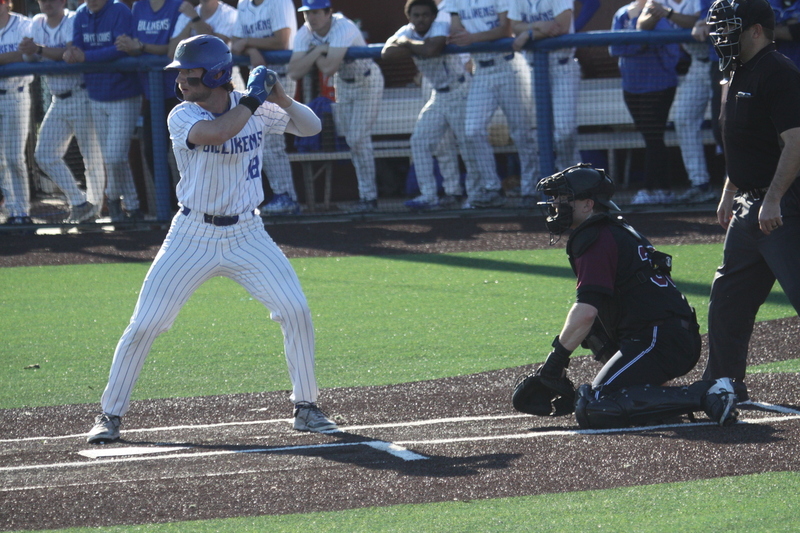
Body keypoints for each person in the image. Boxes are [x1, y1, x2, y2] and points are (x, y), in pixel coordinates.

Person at [86, 35, 336, 444]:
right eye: (181, 73)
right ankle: (110, 413)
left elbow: (312, 128)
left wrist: (281, 97)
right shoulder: (182, 115)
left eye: (191, 72)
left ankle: (306, 407)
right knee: (145, 324)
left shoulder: (251, 106)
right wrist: (254, 100)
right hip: (191, 234)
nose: (182, 80)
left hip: (247, 233)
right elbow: (219, 132)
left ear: (218, 74)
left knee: (295, 310)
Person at [518, 163, 738, 429]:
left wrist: (555, 362)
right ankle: (661, 393)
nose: (555, 204)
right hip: (665, 333)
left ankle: (707, 393)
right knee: (596, 334)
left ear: (588, 204)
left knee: (597, 403)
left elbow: (585, 310)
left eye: (563, 198)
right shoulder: (611, 229)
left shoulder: (594, 237)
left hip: (659, 337)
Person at [702, 0, 800, 401]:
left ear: (756, 30)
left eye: (730, 29)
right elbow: (743, 142)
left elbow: (796, 142)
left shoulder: (778, 72)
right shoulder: (736, 71)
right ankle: (723, 385)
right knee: (727, 302)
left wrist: (774, 198)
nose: (720, 38)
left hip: (784, 209)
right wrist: (730, 191)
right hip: (748, 208)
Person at [288, 0, 385, 213]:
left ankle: (369, 198)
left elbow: (329, 67)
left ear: (328, 12)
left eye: (315, 12)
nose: (311, 18)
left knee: (357, 138)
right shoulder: (305, 32)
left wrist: (315, 54)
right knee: (353, 139)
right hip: (344, 84)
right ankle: (367, 197)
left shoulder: (344, 26)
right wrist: (319, 51)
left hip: (367, 81)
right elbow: (294, 72)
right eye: (307, 13)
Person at [382, 0, 474, 210]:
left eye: (425, 15)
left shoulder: (440, 25)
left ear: (433, 16)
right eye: (416, 15)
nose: (420, 19)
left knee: (468, 146)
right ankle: (428, 195)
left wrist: (406, 44)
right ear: (410, 17)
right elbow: (386, 52)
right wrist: (414, 45)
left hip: (460, 91)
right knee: (419, 142)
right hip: (438, 96)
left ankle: (475, 195)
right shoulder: (407, 30)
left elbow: (432, 49)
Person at [20, 0, 104, 224]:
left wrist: (37, 49)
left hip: (81, 94)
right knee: (44, 155)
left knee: (92, 159)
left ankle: (95, 209)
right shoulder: (36, 22)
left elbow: (69, 53)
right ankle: (79, 202)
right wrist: (29, 51)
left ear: (63, 1)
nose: (47, 3)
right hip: (57, 99)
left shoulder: (73, 19)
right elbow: (31, 57)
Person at [448, 0, 539, 208]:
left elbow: (505, 30)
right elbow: (455, 28)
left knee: (521, 133)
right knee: (472, 130)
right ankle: (493, 188)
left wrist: (471, 38)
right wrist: (462, 35)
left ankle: (530, 189)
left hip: (509, 65)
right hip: (481, 70)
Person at [63, 0, 144, 223]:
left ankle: (113, 201)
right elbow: (78, 48)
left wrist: (88, 57)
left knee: (114, 156)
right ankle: (134, 208)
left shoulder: (119, 10)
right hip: (96, 94)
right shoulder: (81, 14)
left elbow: (120, 50)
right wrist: (76, 54)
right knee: (116, 159)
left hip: (124, 93)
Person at [638, 0, 717, 204]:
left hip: (722, 62)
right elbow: (642, 24)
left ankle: (737, 184)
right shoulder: (659, 1)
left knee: (726, 124)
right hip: (698, 65)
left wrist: (668, 14)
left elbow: (702, 19)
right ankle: (700, 184)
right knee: (683, 119)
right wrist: (657, 13)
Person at [231, 0, 302, 215]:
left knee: (272, 140)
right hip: (259, 78)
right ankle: (282, 195)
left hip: (281, 75)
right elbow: (235, 43)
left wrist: (248, 43)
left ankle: (287, 196)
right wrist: (252, 47)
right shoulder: (244, 3)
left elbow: (282, 40)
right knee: (264, 139)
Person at [115, 0, 185, 211]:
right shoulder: (139, 7)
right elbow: (137, 46)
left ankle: (196, 204)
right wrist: (130, 46)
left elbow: (174, 50)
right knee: (152, 151)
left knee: (187, 151)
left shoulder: (178, 6)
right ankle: (172, 208)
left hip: (179, 92)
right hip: (151, 93)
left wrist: (142, 47)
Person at [610, 0, 681, 205]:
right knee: (652, 137)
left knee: (653, 136)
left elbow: (669, 51)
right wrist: (640, 44)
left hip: (659, 86)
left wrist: (633, 44)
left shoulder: (658, 14)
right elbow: (615, 48)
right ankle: (664, 189)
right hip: (631, 87)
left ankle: (650, 189)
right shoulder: (622, 14)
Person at [509, 0, 581, 177]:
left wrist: (529, 34)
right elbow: (514, 27)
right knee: (535, 132)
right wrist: (539, 26)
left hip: (561, 66)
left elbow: (562, 27)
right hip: (532, 68)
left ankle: (569, 175)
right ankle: (544, 181)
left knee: (565, 131)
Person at [0, 0, 33, 226]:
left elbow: (29, 54)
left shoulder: (24, 25)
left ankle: (22, 212)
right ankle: (12, 212)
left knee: (14, 157)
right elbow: (17, 54)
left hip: (16, 94)